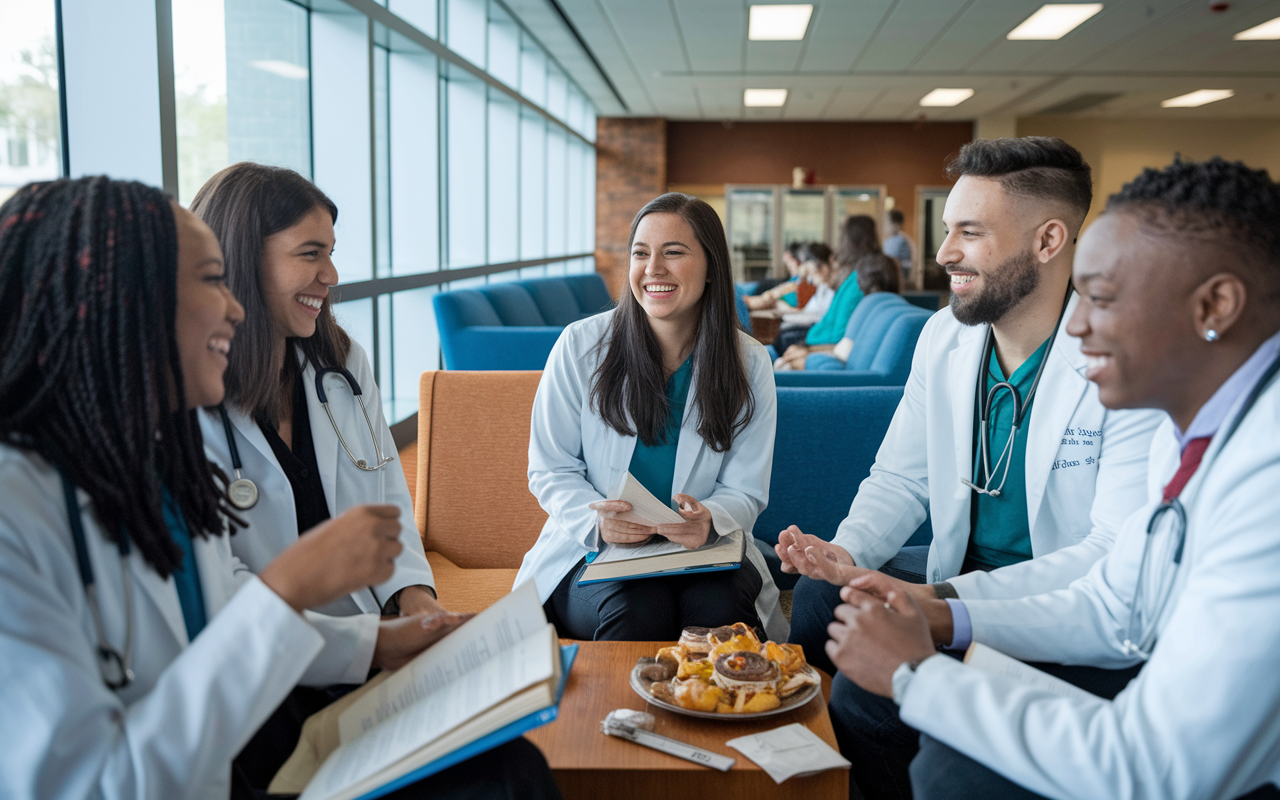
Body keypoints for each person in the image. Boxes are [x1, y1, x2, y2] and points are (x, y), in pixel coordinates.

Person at [0, 177, 560, 800]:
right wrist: (291, 588)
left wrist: (387, 631)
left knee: (510, 771)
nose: (234, 308)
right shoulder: (17, 516)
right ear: (124, 300)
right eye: (212, 280)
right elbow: (102, 782)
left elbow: (225, 613)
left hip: (264, 703)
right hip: (234, 738)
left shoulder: (157, 467)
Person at [826, 157, 1280, 800]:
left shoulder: (1267, 478)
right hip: (1147, 696)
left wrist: (915, 676)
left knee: (954, 770)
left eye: (1102, 297)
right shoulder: (1192, 433)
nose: (1079, 324)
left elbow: (1157, 769)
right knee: (880, 704)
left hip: (1202, 766)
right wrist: (941, 617)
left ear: (1215, 305)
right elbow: (1111, 607)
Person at [778, 137, 1162, 799]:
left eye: (969, 233)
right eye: (948, 229)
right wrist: (845, 553)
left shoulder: (1126, 360)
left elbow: (1107, 555)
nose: (943, 253)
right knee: (818, 600)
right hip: (960, 575)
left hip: (1060, 610)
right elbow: (901, 476)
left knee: (869, 701)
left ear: (1048, 241)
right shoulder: (946, 337)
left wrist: (938, 604)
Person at [514, 192, 787, 642]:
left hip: (705, 551)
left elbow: (746, 488)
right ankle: (618, 714)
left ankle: (717, 710)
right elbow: (551, 468)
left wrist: (711, 518)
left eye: (673, 253)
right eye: (641, 254)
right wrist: (597, 523)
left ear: (712, 267)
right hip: (596, 551)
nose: (653, 269)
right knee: (637, 611)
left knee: (721, 615)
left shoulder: (749, 361)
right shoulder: (580, 345)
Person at [774, 215, 880, 369]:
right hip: (819, 339)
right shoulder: (856, 278)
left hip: (823, 342)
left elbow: (840, 333)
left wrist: (808, 350)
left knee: (782, 356)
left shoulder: (855, 280)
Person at [804, 252, 902, 370]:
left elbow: (842, 353)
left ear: (860, 281)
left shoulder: (866, 311)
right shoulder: (900, 315)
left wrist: (807, 355)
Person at [770, 242, 837, 355]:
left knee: (785, 337)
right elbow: (810, 310)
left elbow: (818, 315)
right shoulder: (822, 288)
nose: (811, 278)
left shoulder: (832, 289)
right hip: (811, 323)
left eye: (813, 272)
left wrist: (791, 316)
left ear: (824, 268)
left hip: (815, 326)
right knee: (782, 334)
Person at [745, 241, 807, 310]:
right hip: (764, 292)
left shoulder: (801, 282)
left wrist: (778, 303)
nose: (788, 266)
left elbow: (770, 297)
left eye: (790, 261)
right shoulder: (795, 281)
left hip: (763, 293)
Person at [883, 208, 913, 280]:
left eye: (887, 223)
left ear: (896, 224)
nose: (886, 226)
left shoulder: (899, 240)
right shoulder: (892, 240)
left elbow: (889, 259)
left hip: (896, 277)